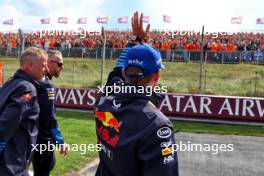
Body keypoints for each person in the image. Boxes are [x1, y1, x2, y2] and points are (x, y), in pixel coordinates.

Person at [94, 12, 179, 176]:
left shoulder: (104, 101)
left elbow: (115, 74)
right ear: (157, 77)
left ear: (125, 73)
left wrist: (135, 41)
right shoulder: (158, 125)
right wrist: (139, 42)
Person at [0, 47, 48, 176]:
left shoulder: (10, 83)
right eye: (43, 66)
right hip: (13, 162)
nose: (46, 70)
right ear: (31, 66)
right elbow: (5, 124)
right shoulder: (27, 88)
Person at [32, 50, 68, 176]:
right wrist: (59, 140)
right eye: (59, 64)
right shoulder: (47, 86)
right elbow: (50, 118)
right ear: (48, 62)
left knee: (50, 163)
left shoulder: (31, 80)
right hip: (42, 141)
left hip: (28, 139)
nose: (61, 67)